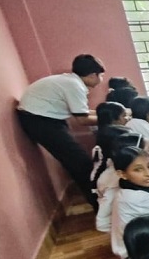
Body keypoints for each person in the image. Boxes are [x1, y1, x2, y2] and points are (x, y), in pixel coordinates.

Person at [17, 54, 106, 209]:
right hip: (40, 121)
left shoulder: (70, 81)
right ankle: (99, 205)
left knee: (77, 161)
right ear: (93, 75)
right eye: (101, 75)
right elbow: (82, 119)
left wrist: (108, 114)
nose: (101, 79)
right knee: (80, 163)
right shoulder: (74, 86)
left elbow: (82, 112)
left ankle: (98, 200)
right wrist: (111, 119)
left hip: (43, 118)